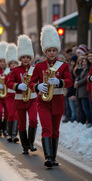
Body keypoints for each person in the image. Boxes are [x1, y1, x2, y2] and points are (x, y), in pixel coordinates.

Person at [29, 25, 73, 168]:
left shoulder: (63, 65)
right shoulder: (39, 66)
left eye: (54, 50)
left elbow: (70, 81)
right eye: (49, 50)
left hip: (58, 101)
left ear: (57, 50)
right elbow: (31, 82)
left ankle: (53, 157)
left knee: (55, 130)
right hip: (43, 101)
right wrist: (37, 86)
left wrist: (59, 82)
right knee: (46, 128)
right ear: (45, 51)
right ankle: (48, 157)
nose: (52, 53)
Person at [6, 35, 38, 154]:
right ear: (20, 58)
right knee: (22, 124)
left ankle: (31, 142)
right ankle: (24, 145)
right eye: (23, 57)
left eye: (27, 57)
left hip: (32, 99)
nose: (25, 59)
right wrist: (17, 86)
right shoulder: (15, 70)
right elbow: (9, 83)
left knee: (34, 120)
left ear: (30, 58)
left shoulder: (35, 69)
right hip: (19, 99)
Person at [4, 44, 19, 143]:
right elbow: (7, 83)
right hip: (9, 96)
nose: (13, 65)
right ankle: (9, 133)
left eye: (15, 63)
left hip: (17, 96)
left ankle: (15, 134)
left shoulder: (20, 73)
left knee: (17, 115)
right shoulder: (7, 74)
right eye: (11, 63)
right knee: (11, 114)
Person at [74, 55, 91, 127]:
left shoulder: (87, 69)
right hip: (80, 92)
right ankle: (84, 122)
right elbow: (78, 77)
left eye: (85, 61)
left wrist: (78, 83)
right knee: (82, 108)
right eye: (82, 62)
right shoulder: (82, 70)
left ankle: (89, 121)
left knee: (85, 108)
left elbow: (85, 79)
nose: (83, 63)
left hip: (84, 92)